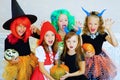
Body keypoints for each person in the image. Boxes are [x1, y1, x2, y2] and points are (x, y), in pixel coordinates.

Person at [2, 0, 39, 80]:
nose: (22, 29)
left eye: (24, 26)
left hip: (29, 62)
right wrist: (11, 61)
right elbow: (6, 55)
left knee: (31, 76)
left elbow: (41, 37)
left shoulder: (27, 34)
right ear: (13, 26)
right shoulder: (8, 40)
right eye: (19, 26)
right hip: (18, 65)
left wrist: (37, 30)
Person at [81, 7, 118, 80]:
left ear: (99, 24)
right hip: (87, 61)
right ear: (87, 24)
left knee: (100, 76)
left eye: (95, 24)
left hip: (100, 60)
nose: (92, 26)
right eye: (90, 24)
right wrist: (85, 54)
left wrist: (109, 29)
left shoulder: (102, 34)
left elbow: (115, 44)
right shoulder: (84, 36)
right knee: (88, 77)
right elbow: (80, 49)